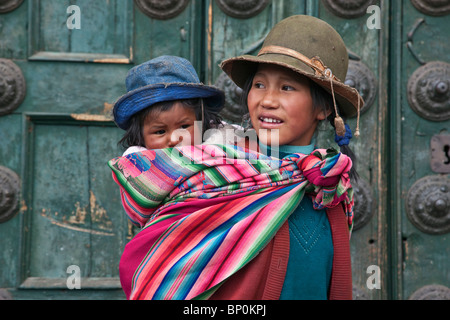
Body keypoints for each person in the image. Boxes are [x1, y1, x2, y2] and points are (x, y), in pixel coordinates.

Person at [108, 15, 362, 300]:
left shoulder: (329, 184)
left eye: (287, 88)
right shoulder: (213, 174)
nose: (267, 100)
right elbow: (155, 271)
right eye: (259, 85)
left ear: (324, 108)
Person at [113, 55, 225, 157]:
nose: (174, 140)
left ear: (203, 123)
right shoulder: (136, 167)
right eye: (160, 132)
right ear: (140, 137)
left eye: (184, 127)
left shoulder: (222, 151)